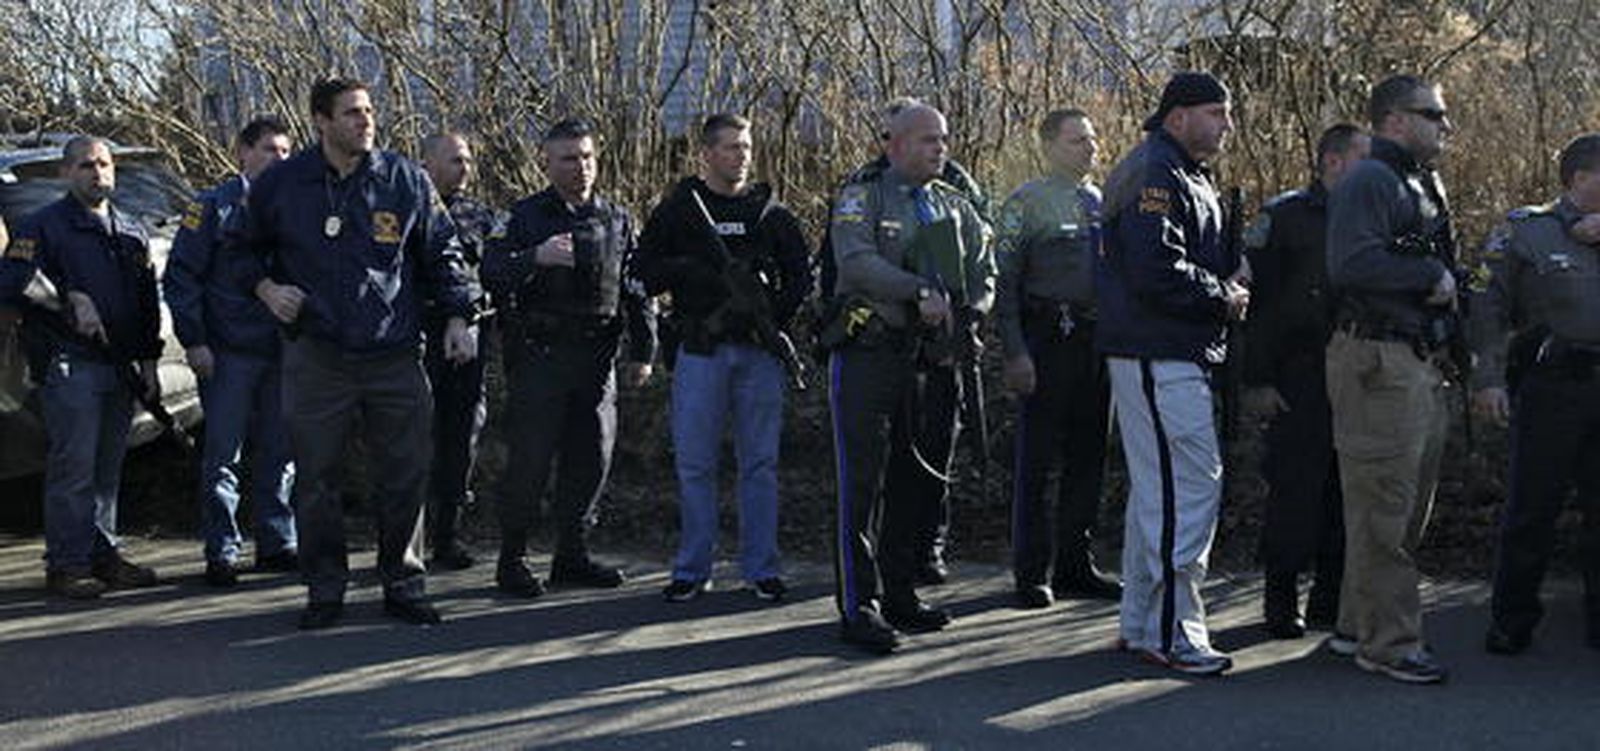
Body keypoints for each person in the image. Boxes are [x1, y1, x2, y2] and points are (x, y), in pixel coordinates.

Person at [244, 78, 478, 629]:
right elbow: (237, 251)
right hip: (318, 354)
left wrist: (457, 316)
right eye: (352, 112)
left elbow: (443, 252)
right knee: (317, 478)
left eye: (369, 110)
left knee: (405, 473)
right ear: (321, 120)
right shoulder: (283, 184)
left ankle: (403, 581)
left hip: (392, 353)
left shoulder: (403, 179)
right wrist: (266, 288)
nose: (365, 120)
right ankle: (325, 588)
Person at [826, 103, 994, 654]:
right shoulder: (864, 196)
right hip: (870, 354)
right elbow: (856, 262)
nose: (939, 148)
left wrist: (970, 311)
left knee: (913, 480)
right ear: (894, 145)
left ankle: (900, 593)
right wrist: (916, 290)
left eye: (942, 139)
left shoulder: (953, 203)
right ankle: (859, 606)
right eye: (927, 140)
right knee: (862, 485)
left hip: (928, 363)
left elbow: (985, 269)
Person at [1096, 72, 1247, 676]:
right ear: (1178, 116)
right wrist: (1223, 296)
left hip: (1167, 351)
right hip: (1158, 353)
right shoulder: (1156, 171)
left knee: (1159, 491)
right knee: (1186, 489)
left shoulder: (1180, 170)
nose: (1227, 124)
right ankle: (1173, 631)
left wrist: (1226, 278)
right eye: (1216, 112)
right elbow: (1155, 269)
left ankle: (1143, 622)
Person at [637, 114, 812, 603]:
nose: (742, 156)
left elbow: (801, 278)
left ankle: (762, 568)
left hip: (758, 352)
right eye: (732, 147)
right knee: (695, 465)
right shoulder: (679, 210)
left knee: (760, 465)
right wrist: (692, 272)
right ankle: (693, 569)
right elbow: (645, 272)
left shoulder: (771, 214)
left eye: (747, 146)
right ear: (707, 153)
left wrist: (769, 315)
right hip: (701, 350)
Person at [482, 118, 656, 599]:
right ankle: (513, 559)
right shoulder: (524, 217)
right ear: (547, 163)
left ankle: (572, 555)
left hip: (597, 360)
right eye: (569, 159)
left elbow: (636, 288)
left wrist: (643, 350)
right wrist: (534, 257)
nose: (581, 167)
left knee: (592, 459)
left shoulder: (617, 218)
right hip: (541, 357)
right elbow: (490, 271)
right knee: (530, 461)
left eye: (587, 157)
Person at [1324, 74, 1458, 684]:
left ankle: (1359, 625)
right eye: (1433, 114)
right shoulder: (1371, 179)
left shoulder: (1418, 180)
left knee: (1398, 510)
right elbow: (1350, 263)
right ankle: (1390, 645)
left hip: (1414, 359)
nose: (1444, 124)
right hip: (1378, 360)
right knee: (1386, 510)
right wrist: (1427, 275)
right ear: (1395, 121)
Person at [0, 136, 163, 598]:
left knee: (107, 470)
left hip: (121, 366)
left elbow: (145, 305)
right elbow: (12, 280)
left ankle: (103, 555)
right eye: (87, 165)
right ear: (66, 173)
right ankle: (67, 564)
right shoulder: (42, 226)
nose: (98, 173)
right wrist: (66, 300)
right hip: (70, 363)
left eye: (104, 164)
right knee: (74, 469)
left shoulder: (130, 229)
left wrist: (149, 364)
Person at [1470, 133, 1600, 656]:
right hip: (1553, 387)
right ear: (1580, 178)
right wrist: (1488, 378)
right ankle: (1512, 620)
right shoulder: (1527, 231)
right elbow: (1487, 306)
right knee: (1533, 509)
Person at [1241, 123, 1370, 637]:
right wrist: (1257, 379)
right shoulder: (1286, 216)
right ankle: (1280, 599)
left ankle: (1328, 600)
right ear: (1333, 161)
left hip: (1357, 369)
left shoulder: (1371, 217)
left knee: (1346, 489)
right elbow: (1257, 306)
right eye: (1363, 157)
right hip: (1299, 373)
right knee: (1294, 490)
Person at [163, 116, 298, 587]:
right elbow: (182, 277)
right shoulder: (212, 207)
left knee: (280, 453)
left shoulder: (294, 209)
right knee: (224, 455)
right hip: (229, 352)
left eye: (285, 152)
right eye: (269, 149)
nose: (278, 159)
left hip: (281, 350)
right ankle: (222, 550)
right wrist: (195, 340)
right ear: (242, 151)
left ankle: (278, 542)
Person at [994, 108, 1121, 609]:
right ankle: (1031, 571)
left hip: (1095, 342)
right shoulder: (1027, 202)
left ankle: (1075, 565)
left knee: (1089, 458)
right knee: (1038, 462)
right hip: (1047, 339)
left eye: (1092, 139)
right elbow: (1004, 281)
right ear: (1048, 147)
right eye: (1076, 141)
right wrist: (1015, 351)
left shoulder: (1101, 201)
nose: (1090, 148)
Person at [419, 132, 495, 571]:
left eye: (467, 160)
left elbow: (492, 272)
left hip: (469, 339)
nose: (464, 168)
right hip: (421, 335)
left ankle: (448, 535)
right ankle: (407, 538)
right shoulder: (410, 210)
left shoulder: (480, 215)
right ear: (427, 164)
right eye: (454, 160)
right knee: (415, 437)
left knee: (462, 435)